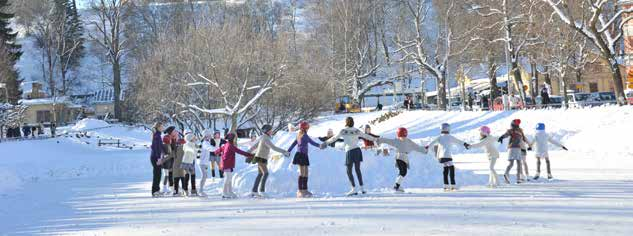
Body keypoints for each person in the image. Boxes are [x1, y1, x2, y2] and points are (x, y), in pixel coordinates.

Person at [322, 117, 378, 196]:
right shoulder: (356, 130)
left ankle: (354, 189)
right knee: (358, 170)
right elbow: (366, 136)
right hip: (357, 151)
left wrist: (325, 143)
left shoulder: (343, 130)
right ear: (353, 122)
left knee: (349, 171)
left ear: (346, 122)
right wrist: (375, 139)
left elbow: (334, 138)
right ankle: (362, 188)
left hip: (350, 151)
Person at [376, 127, 426, 192]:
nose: (403, 138)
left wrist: (424, 150)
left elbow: (416, 147)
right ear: (399, 135)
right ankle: (396, 186)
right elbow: (388, 141)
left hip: (404, 158)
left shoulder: (408, 141)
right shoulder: (397, 141)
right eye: (401, 136)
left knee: (402, 172)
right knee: (403, 172)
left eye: (404, 136)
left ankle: (397, 185)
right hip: (399, 157)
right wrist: (380, 140)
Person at [246, 124, 290, 198]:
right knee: (265, 173)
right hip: (261, 158)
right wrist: (284, 151)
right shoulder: (265, 138)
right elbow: (274, 148)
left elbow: (256, 145)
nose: (271, 131)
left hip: (260, 157)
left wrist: (249, 151)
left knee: (260, 174)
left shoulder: (263, 137)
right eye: (270, 130)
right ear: (267, 131)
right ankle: (262, 191)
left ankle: (254, 190)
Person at [425, 123, 470, 191]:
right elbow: (458, 141)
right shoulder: (450, 137)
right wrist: (465, 144)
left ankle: (445, 185)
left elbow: (431, 143)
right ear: (448, 129)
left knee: (445, 169)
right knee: (451, 168)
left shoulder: (439, 137)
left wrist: (427, 147)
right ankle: (453, 185)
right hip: (447, 155)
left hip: (441, 157)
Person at [214, 133, 254, 199]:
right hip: (226, 164)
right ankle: (224, 193)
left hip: (227, 164)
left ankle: (229, 192)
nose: (235, 139)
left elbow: (217, 151)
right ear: (232, 138)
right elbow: (239, 151)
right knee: (227, 178)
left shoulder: (227, 144)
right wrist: (249, 155)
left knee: (229, 179)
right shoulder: (230, 145)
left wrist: (217, 152)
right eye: (234, 138)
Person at [288, 121, 321, 198]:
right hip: (301, 155)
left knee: (305, 173)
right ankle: (300, 191)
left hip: (303, 155)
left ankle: (305, 190)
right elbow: (312, 142)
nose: (308, 129)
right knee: (302, 173)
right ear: (305, 128)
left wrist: (289, 150)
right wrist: (320, 145)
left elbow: (293, 144)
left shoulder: (299, 134)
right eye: (307, 127)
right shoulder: (304, 135)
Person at [498, 119, 531, 184]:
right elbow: (524, 139)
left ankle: (506, 173)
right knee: (519, 163)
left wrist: (501, 137)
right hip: (517, 148)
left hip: (511, 148)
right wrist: (529, 145)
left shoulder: (511, 130)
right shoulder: (520, 131)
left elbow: (506, 134)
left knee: (511, 163)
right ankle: (518, 179)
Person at [150, 122, 165, 197]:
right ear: (158, 127)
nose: (163, 128)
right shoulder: (157, 136)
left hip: (156, 157)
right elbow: (155, 148)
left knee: (158, 174)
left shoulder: (158, 135)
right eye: (162, 126)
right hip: (155, 157)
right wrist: (158, 158)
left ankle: (157, 190)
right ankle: (155, 191)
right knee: (157, 174)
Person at [198, 130, 215, 197]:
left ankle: (201, 190)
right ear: (205, 136)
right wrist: (219, 149)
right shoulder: (205, 143)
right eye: (209, 135)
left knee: (205, 176)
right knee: (204, 176)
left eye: (210, 135)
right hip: (202, 162)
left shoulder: (205, 142)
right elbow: (210, 148)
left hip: (204, 162)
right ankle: (200, 191)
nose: (210, 136)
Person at [160, 126, 175, 195]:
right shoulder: (166, 139)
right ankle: (164, 188)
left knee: (168, 175)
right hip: (166, 161)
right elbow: (165, 151)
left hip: (168, 161)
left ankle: (167, 187)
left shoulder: (168, 139)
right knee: (166, 175)